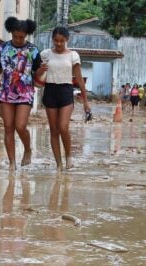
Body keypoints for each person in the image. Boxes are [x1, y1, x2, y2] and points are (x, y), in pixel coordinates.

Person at [0, 17, 40, 171]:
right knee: (8, 127)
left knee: (20, 126)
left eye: (22, 37)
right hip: (6, 92)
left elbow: (38, 72)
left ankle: (27, 149)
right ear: (11, 33)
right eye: (15, 36)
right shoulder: (3, 49)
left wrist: (42, 73)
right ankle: (12, 163)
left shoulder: (33, 50)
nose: (18, 39)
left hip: (25, 92)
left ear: (26, 35)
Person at [40, 26, 90, 170]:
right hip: (50, 90)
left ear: (67, 40)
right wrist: (39, 71)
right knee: (54, 130)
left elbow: (79, 79)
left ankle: (68, 156)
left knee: (63, 126)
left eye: (62, 41)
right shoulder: (45, 54)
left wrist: (85, 101)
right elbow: (37, 74)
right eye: (56, 40)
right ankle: (58, 164)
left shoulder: (73, 55)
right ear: (52, 40)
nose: (59, 44)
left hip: (66, 91)